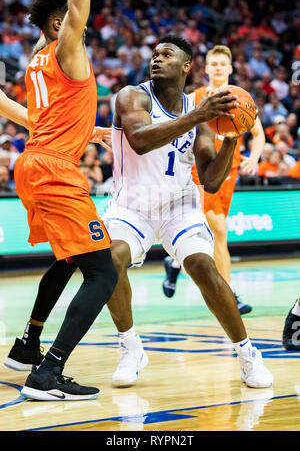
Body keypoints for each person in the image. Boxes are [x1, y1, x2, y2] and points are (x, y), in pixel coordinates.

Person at [5, 35, 273, 391]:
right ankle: (130, 346)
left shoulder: (201, 115)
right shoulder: (132, 96)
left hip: (180, 204)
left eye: (167, 54)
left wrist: (234, 137)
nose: (157, 59)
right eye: (155, 54)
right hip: (132, 204)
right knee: (111, 258)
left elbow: (210, 181)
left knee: (202, 266)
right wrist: (198, 115)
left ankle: (247, 353)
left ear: (187, 65)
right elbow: (141, 139)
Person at [4, 0, 119, 401]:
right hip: (54, 171)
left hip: (34, 163)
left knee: (70, 257)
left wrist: (82, 132)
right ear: (60, 23)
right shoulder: (67, 47)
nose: (83, 27)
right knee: (103, 273)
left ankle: (29, 346)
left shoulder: (39, 57)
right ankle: (48, 372)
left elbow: (12, 108)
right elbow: (77, 0)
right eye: (76, 21)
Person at [162, 45, 265, 315]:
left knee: (204, 231)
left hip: (228, 174)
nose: (218, 68)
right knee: (218, 229)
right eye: (214, 64)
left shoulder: (241, 98)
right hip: (199, 171)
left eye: (223, 64)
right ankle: (229, 293)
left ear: (230, 69)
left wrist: (254, 156)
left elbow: (259, 133)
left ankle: (173, 264)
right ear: (206, 69)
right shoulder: (194, 98)